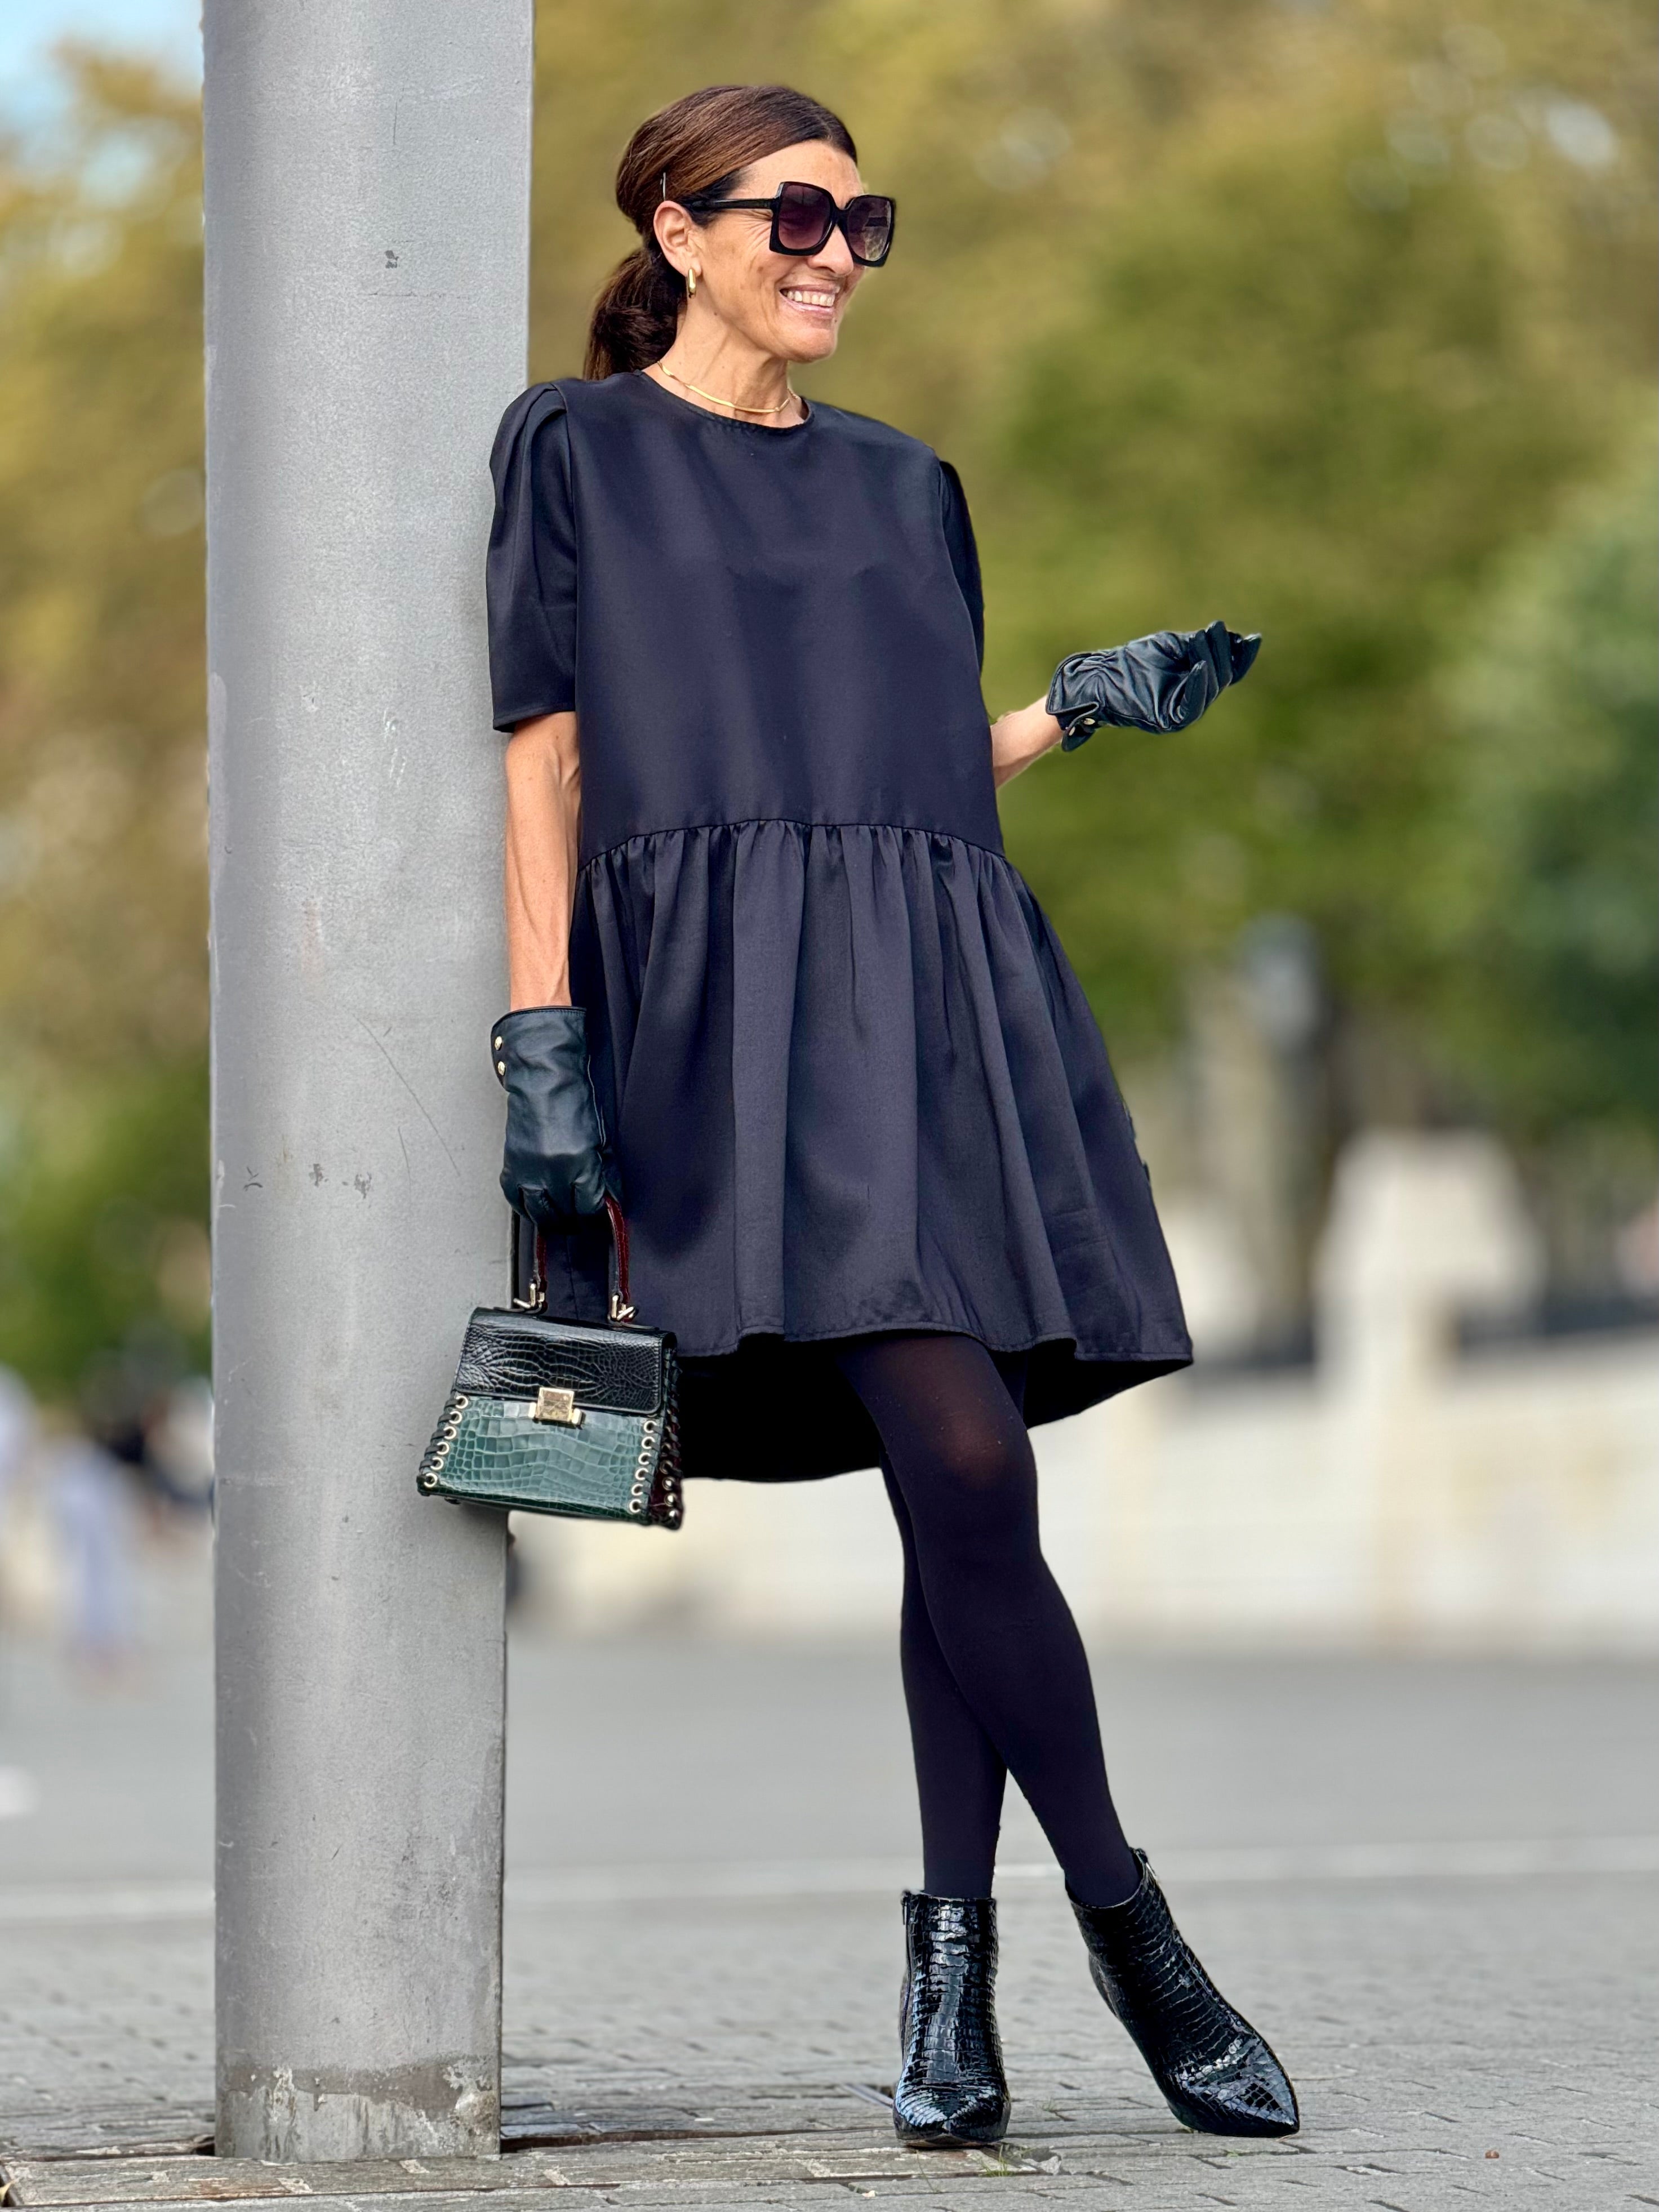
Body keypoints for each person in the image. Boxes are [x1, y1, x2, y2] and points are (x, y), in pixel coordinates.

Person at [486, 82, 1297, 2147]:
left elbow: (898, 764)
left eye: (863, 223)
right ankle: (1128, 1930)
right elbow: (548, 763)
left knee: (963, 1479)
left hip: (929, 997)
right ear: (677, 231)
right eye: (794, 217)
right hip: (711, 1019)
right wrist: (539, 1036)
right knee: (956, 1452)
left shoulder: (906, 481)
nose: (836, 254)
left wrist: (1067, 711)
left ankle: (960, 1967)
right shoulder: (571, 449)